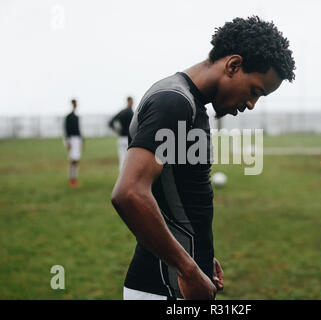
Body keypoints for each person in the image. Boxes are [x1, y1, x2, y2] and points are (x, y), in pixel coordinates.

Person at [111, 16, 295, 300]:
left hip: (177, 281)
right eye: (255, 91)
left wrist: (199, 252)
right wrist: (188, 269)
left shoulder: (190, 103)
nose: (250, 104)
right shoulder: (174, 102)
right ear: (233, 65)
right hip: (163, 287)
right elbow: (129, 193)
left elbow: (178, 197)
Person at [108, 96, 134, 171]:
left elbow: (110, 123)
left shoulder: (122, 112)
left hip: (121, 138)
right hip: (128, 139)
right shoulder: (131, 112)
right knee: (128, 160)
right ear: (129, 101)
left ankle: (121, 178)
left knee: (122, 159)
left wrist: (117, 131)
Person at [64, 99, 83, 187]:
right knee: (73, 160)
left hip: (77, 140)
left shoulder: (76, 117)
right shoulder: (68, 117)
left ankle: (74, 178)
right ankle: (72, 179)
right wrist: (67, 141)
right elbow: (66, 130)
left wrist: (82, 141)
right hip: (72, 139)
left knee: (76, 160)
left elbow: (79, 130)